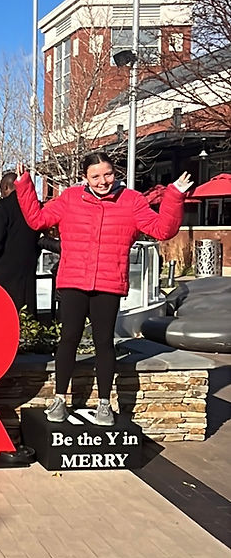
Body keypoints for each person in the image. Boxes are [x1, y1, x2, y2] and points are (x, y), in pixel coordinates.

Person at [16, 152, 191, 426]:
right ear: (85, 178)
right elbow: (37, 220)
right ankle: (60, 399)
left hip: (109, 283)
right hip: (73, 281)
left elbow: (163, 230)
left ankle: (104, 404)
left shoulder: (132, 201)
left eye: (107, 174)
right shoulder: (70, 198)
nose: (103, 181)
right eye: (95, 176)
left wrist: (175, 195)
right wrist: (25, 185)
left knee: (104, 342)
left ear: (115, 173)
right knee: (69, 338)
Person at [0, 171, 41, 314]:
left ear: (5, 187)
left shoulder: (3, 206)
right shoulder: (33, 206)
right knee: (26, 312)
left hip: (4, 269)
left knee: (2, 312)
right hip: (27, 268)